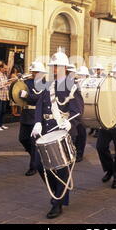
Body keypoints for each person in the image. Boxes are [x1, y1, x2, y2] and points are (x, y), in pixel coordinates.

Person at [31, 49, 84, 219]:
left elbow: (78, 110)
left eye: (57, 66)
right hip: (47, 130)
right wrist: (38, 122)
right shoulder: (48, 85)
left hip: (63, 132)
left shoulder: (72, 86)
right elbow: (40, 105)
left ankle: (58, 201)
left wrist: (70, 122)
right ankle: (57, 192)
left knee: (61, 168)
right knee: (40, 165)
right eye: (53, 66)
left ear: (64, 68)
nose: (54, 69)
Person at [96, 61, 116, 189]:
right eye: (115, 72)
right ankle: (109, 169)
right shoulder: (108, 85)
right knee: (101, 147)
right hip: (107, 122)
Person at [18, 61, 47, 176]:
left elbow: (39, 99)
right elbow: (18, 91)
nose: (34, 74)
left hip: (36, 115)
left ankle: (33, 166)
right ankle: (35, 157)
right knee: (23, 138)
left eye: (36, 72)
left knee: (34, 142)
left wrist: (27, 96)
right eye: (33, 72)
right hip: (26, 113)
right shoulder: (27, 82)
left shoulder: (46, 85)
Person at [0, 61, 11, 131]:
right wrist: (5, 83)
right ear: (0, 68)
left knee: (3, 110)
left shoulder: (4, 75)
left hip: (5, 95)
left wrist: (9, 83)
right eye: (4, 68)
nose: (6, 70)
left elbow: (7, 84)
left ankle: (1, 124)